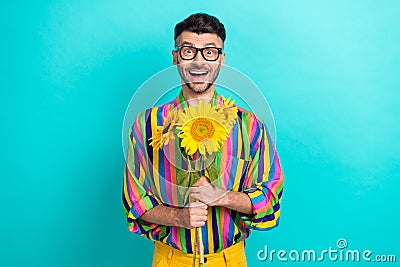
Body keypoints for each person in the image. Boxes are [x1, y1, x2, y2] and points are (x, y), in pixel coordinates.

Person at [122, 13, 284, 267]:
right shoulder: (148, 125)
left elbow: (270, 198)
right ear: (175, 57)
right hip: (170, 259)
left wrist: (222, 196)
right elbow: (136, 201)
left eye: (209, 52)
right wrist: (179, 218)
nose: (199, 62)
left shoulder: (249, 126)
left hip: (229, 259)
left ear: (222, 59)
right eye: (188, 51)